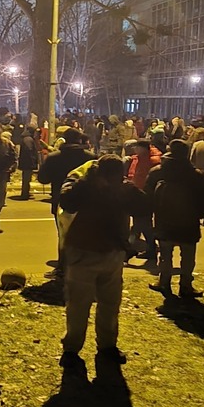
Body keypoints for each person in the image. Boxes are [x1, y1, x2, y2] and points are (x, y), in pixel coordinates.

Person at [57, 155, 148, 371]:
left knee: (83, 305)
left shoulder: (91, 186)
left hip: (92, 250)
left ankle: (79, 348)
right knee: (104, 304)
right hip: (101, 251)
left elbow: (66, 202)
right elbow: (144, 207)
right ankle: (95, 347)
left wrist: (85, 182)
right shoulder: (100, 188)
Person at [145, 139, 204, 298]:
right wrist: (203, 216)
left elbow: (148, 196)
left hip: (163, 219)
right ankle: (186, 285)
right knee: (188, 255)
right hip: (189, 221)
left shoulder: (157, 172)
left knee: (165, 254)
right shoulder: (198, 175)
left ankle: (164, 282)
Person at [37, 128, 96, 279]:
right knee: (85, 235)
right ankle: (82, 267)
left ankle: (62, 268)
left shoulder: (54, 157)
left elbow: (43, 179)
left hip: (61, 200)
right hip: (87, 202)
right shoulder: (90, 157)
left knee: (63, 236)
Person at [16, 125, 40, 200]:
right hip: (28, 163)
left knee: (27, 178)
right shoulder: (28, 139)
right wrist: (33, 160)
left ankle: (26, 192)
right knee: (26, 179)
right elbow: (29, 150)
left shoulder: (27, 138)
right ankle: (25, 194)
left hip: (26, 162)